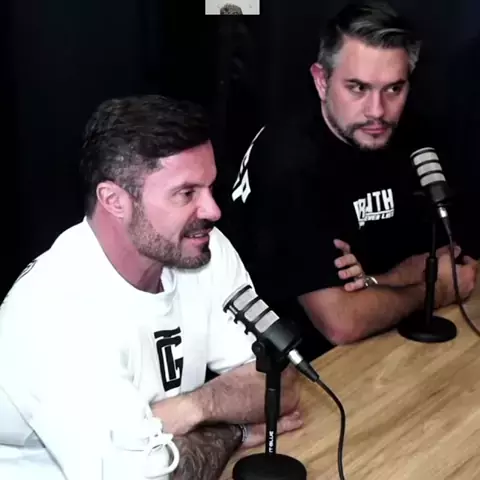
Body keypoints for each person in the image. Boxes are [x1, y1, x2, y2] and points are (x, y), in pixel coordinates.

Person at [0, 95, 303, 480]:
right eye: (187, 193)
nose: (213, 210)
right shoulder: (53, 312)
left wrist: (194, 408)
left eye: (210, 187)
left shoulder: (201, 247)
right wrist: (234, 431)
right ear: (114, 200)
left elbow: (279, 381)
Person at [222, 1, 479, 362]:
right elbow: (341, 322)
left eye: (394, 89)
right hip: (289, 363)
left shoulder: (413, 132)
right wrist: (436, 290)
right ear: (321, 80)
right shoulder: (288, 161)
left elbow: (453, 256)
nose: (377, 111)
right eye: (357, 88)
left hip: (385, 342)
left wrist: (376, 282)